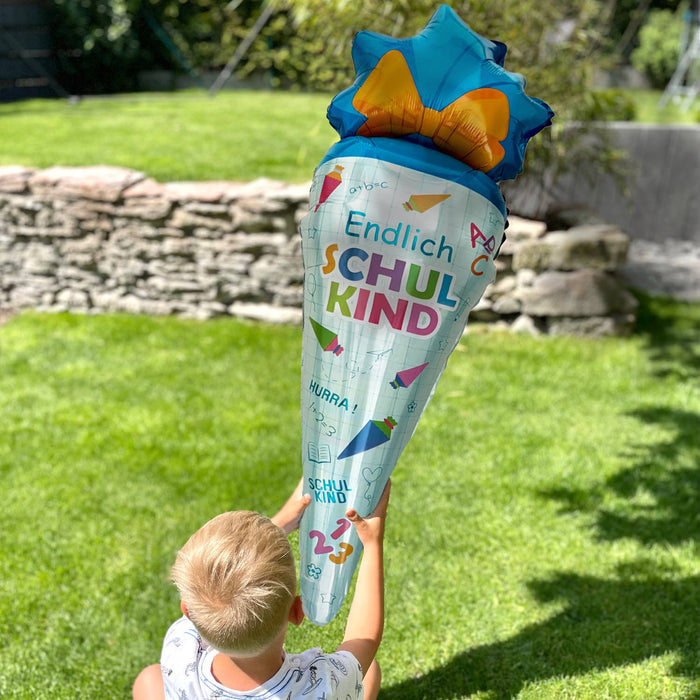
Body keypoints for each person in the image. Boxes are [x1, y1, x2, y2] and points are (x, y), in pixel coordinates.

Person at [132, 477, 390, 700]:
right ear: (298, 611)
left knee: (148, 678)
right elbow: (365, 636)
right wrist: (372, 543)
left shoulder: (180, 652)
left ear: (187, 610)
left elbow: (217, 591)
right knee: (369, 673)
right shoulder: (322, 685)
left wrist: (280, 524)